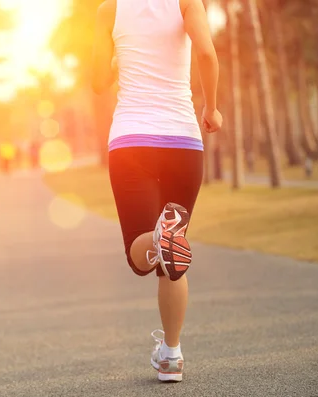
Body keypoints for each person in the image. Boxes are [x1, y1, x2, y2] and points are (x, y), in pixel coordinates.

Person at [91, 0, 222, 382]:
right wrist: (212, 109)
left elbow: (98, 82)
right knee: (172, 255)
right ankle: (171, 355)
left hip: (131, 142)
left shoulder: (108, 10)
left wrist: (118, 63)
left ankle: (160, 238)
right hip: (183, 142)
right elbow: (207, 54)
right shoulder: (186, 3)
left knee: (143, 255)